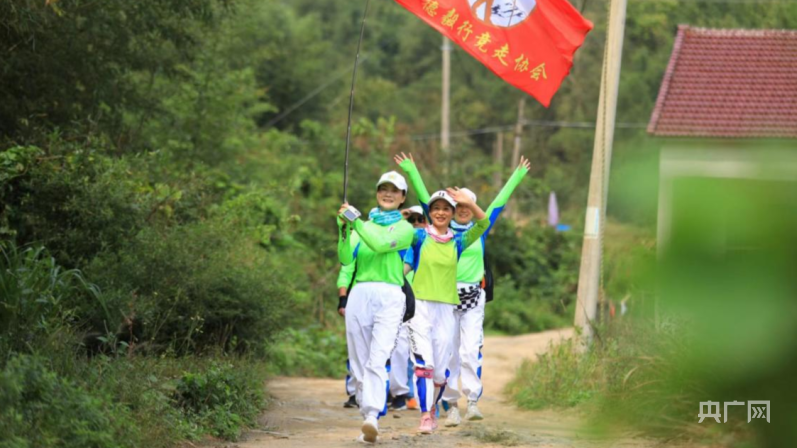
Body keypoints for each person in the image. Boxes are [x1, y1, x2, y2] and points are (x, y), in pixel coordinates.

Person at [395, 153, 490, 434]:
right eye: (435, 208)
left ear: (451, 213)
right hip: (421, 306)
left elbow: (484, 224)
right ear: (430, 212)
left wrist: (469, 202)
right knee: (424, 364)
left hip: (447, 308)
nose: (440, 212)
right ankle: (426, 414)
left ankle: (435, 406)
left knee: (440, 372)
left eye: (445, 209)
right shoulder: (419, 236)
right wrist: (412, 173)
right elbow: (398, 244)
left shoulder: (459, 241)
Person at [441, 157, 531, 425]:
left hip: (474, 297)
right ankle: (450, 406)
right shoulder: (441, 231)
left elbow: (499, 203)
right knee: (448, 352)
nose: (464, 209)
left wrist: (516, 176)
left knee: (470, 350)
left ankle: (472, 402)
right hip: (444, 297)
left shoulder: (480, 229)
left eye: (469, 204)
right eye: (459, 205)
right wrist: (411, 171)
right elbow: (425, 202)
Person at [337, 171, 415, 444]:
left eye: (395, 190)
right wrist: (343, 229)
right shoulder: (363, 226)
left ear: (403, 197)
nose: (388, 194)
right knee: (358, 362)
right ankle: (365, 413)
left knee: (377, 358)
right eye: (383, 189)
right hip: (360, 294)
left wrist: (355, 222)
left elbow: (381, 245)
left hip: (391, 294)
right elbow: (346, 258)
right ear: (377, 193)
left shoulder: (405, 228)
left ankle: (372, 416)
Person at [387, 206, 426, 412]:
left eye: (422, 219)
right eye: (413, 220)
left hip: (425, 300)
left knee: (418, 351)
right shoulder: (401, 243)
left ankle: (418, 395)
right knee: (398, 349)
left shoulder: (434, 242)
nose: (418, 223)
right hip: (400, 298)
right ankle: (400, 394)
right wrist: (398, 220)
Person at [336, 263, 358, 409]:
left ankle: (385, 392)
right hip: (358, 300)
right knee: (356, 349)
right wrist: (343, 299)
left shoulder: (400, 242)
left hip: (390, 299)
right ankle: (354, 393)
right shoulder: (356, 240)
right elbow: (346, 272)